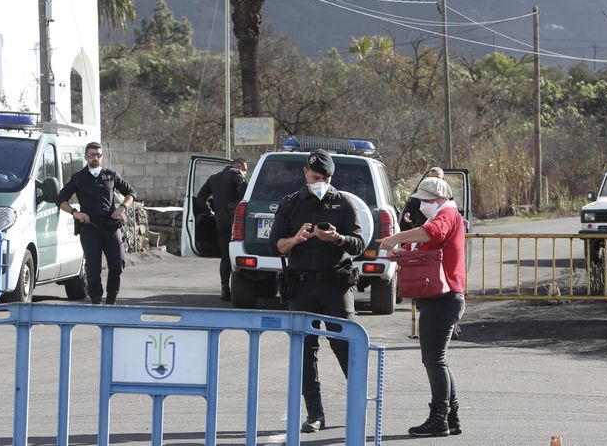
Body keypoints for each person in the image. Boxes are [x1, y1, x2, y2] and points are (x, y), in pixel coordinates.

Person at [268, 149, 365, 433]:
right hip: (301, 287)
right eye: (314, 177)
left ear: (331, 177)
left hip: (335, 285)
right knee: (305, 351)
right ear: (305, 174)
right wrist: (296, 239)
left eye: (323, 178)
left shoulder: (343, 203)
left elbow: (359, 244)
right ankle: (315, 413)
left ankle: (358, 408)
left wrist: (337, 238)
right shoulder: (290, 204)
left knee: (345, 346)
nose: (318, 182)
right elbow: (274, 246)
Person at [380, 176, 466, 437]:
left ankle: (439, 419)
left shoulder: (447, 213)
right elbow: (424, 245)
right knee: (438, 360)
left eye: (427, 201)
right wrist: (400, 250)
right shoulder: (441, 214)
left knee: (434, 360)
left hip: (443, 298)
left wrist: (395, 238)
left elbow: (433, 233)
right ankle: (451, 418)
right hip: (442, 298)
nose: (422, 205)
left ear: (440, 199)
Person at [57, 142, 136, 305]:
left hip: (110, 226)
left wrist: (122, 207)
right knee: (93, 268)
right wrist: (75, 213)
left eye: (98, 155)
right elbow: (60, 200)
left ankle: (112, 298)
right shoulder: (78, 177)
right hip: (89, 228)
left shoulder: (111, 175)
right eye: (92, 155)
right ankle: (96, 300)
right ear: (86, 157)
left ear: (102, 157)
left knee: (117, 264)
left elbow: (131, 192)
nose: (95, 158)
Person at [196, 158, 248, 301]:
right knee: (241, 250)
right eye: (245, 170)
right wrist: (240, 205)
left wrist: (209, 212)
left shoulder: (213, 178)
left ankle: (225, 287)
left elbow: (200, 198)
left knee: (225, 254)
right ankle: (242, 286)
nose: (245, 173)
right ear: (238, 165)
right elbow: (245, 192)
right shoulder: (237, 173)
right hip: (236, 220)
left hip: (220, 219)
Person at [401, 166, 444, 231]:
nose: (434, 180)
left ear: (443, 179)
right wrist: (407, 213)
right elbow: (410, 207)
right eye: (431, 178)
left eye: (437, 178)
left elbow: (451, 208)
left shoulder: (446, 193)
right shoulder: (422, 190)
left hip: (439, 227)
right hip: (422, 227)